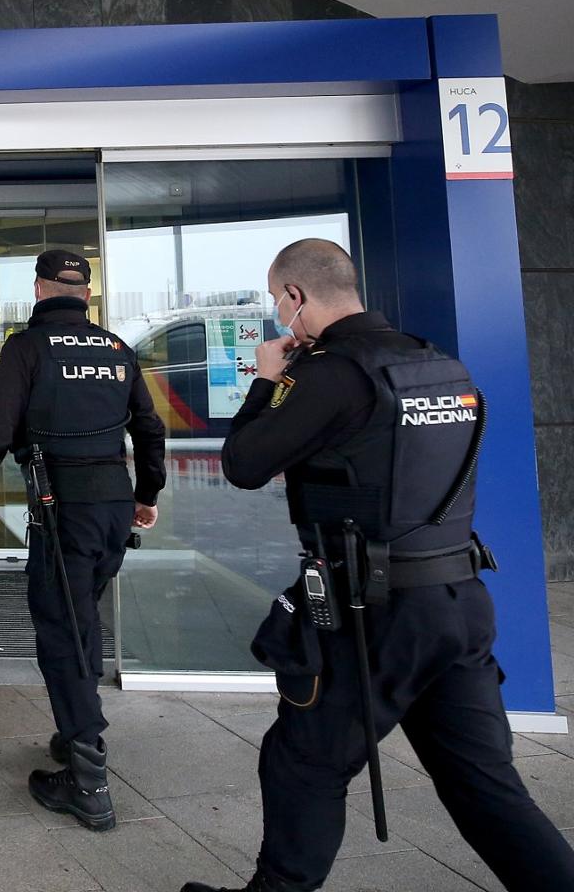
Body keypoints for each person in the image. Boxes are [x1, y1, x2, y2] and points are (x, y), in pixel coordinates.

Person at [181, 239, 574, 892]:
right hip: (459, 602)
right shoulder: (439, 364)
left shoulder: (331, 375)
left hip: (375, 615)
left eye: (280, 300)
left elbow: (244, 463)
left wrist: (264, 380)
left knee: (302, 764)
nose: (281, 315)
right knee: (487, 789)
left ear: (295, 297)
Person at [0, 250, 166, 832]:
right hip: (113, 506)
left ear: (42, 289)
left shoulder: (27, 347)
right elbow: (149, 426)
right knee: (83, 617)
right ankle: (75, 727)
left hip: (61, 508)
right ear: (86, 295)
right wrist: (147, 494)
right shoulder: (116, 349)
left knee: (62, 628)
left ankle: (89, 776)